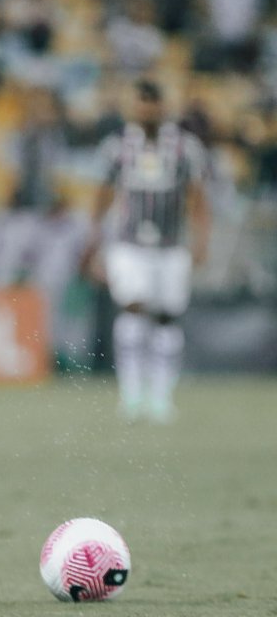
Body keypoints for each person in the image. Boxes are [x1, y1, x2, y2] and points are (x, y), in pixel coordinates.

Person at [82, 79, 211, 423]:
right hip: (129, 243)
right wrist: (94, 241)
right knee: (133, 308)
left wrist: (201, 241)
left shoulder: (185, 148)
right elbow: (102, 196)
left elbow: (198, 198)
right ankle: (131, 394)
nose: (147, 109)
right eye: (141, 103)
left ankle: (161, 396)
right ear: (133, 107)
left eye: (152, 103)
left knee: (167, 316)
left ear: (162, 107)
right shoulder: (117, 147)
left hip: (171, 245)